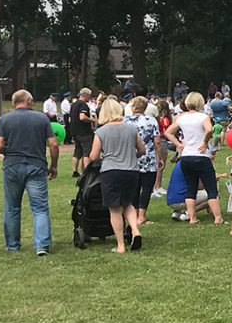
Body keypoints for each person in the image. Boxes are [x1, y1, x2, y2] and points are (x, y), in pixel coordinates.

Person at [0, 90, 60, 256]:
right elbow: (53, 144)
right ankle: (42, 245)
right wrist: (54, 166)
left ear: (14, 102)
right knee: (40, 208)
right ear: (29, 101)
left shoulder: (5, 119)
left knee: (12, 207)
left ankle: (13, 245)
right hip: (36, 165)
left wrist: (9, 152)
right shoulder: (42, 118)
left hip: (12, 165)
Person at [88, 99, 146, 253]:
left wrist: (103, 155)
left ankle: (120, 245)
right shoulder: (131, 129)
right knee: (128, 203)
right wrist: (131, 155)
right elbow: (142, 150)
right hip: (131, 171)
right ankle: (135, 230)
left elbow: (93, 156)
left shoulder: (101, 131)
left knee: (114, 209)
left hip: (111, 171)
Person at [165, 92, 223, 225]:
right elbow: (209, 130)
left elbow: (168, 132)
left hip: (186, 156)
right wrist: (204, 142)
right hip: (201, 156)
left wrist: (179, 144)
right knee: (211, 188)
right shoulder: (203, 116)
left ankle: (192, 218)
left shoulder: (181, 118)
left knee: (190, 188)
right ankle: (218, 218)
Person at [124, 96, 163, 227]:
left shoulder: (125, 121)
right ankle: (142, 215)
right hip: (148, 157)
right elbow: (157, 141)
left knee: (134, 188)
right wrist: (160, 157)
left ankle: (133, 214)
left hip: (131, 158)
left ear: (133, 107)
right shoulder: (151, 120)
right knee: (146, 188)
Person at [68, 88, 95, 177]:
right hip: (84, 132)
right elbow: (82, 117)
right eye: (89, 96)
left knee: (77, 151)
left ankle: (75, 171)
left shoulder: (73, 104)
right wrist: (92, 120)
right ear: (85, 95)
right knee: (87, 152)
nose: (90, 98)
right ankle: (86, 172)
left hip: (74, 131)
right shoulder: (83, 105)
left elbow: (70, 118)